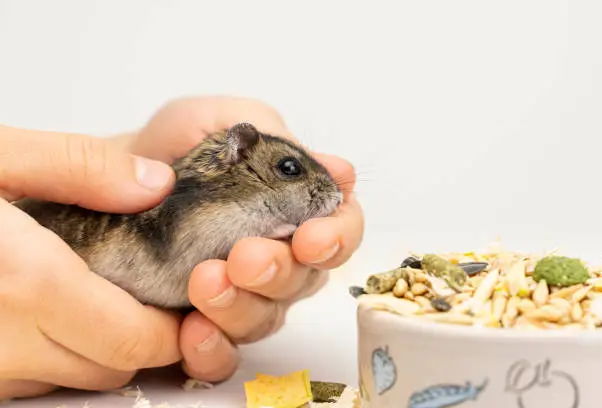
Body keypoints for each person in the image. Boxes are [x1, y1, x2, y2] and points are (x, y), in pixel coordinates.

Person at [0, 95, 364, 400]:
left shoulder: (215, 207)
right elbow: (186, 248)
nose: (326, 192)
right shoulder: (191, 206)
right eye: (288, 168)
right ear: (237, 153)